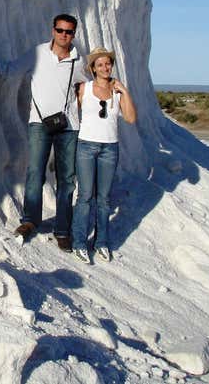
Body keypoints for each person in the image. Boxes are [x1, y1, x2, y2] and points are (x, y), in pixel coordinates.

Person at [0, 14, 89, 251]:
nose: (65, 35)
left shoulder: (78, 60)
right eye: (61, 30)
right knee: (35, 173)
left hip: (69, 126)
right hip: (40, 123)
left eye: (69, 32)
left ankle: (62, 230)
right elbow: (10, 69)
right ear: (53, 30)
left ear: (74, 34)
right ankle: (30, 221)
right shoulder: (38, 53)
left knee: (67, 180)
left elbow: (85, 85)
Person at [71, 47, 137, 264]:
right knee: (85, 196)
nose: (105, 67)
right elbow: (73, 114)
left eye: (108, 63)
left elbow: (130, 118)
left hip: (110, 148)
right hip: (86, 146)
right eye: (100, 64)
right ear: (93, 68)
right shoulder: (84, 89)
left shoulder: (117, 91)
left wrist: (124, 91)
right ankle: (79, 242)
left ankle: (101, 242)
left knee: (104, 199)